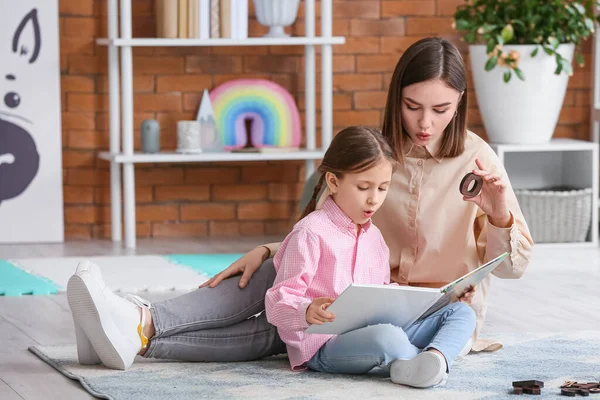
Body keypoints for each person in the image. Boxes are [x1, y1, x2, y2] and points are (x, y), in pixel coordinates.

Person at [66, 36, 532, 371]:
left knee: (286, 329)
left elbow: (513, 268)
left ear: (460, 103)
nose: (425, 123)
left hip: (425, 315)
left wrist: (497, 213)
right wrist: (272, 249)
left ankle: (139, 330)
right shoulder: (378, 155)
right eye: (413, 106)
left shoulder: (479, 159)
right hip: (350, 296)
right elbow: (329, 232)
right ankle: (138, 322)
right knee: (279, 282)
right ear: (397, 98)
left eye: (441, 109)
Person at [264, 126, 476, 388]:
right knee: (387, 338)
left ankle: (434, 358)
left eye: (383, 188)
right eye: (363, 187)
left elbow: (381, 295)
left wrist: (436, 299)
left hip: (377, 327)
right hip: (324, 343)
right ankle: (437, 355)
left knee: (461, 313)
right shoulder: (310, 232)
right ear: (333, 182)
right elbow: (276, 302)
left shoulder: (374, 237)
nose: (374, 200)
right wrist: (306, 311)